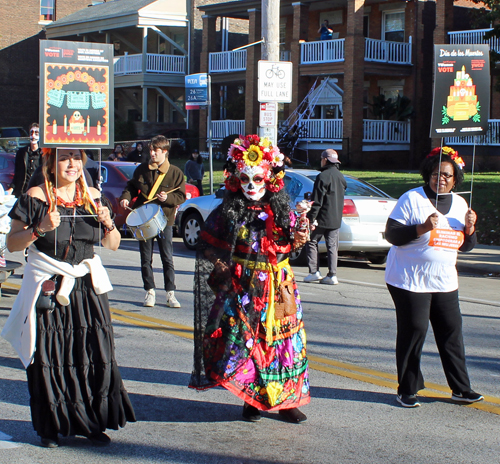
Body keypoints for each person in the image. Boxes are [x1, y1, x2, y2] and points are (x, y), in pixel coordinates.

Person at [1, 147, 136, 448]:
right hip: (50, 285)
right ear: (50, 162)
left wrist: (109, 222)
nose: (72, 163)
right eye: (64, 157)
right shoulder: (36, 196)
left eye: (76, 157)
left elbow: (112, 244)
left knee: (92, 354)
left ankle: (91, 422)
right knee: (51, 356)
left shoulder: (91, 196)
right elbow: (11, 243)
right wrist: (40, 229)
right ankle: (51, 427)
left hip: (87, 288)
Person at [189, 134, 310, 423]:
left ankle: (286, 403)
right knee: (247, 342)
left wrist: (302, 234)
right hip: (243, 286)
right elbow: (206, 244)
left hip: (280, 286)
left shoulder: (283, 213)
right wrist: (219, 263)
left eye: (258, 179)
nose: (252, 186)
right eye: (245, 179)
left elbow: (294, 246)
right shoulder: (227, 212)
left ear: (270, 179)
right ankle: (252, 401)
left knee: (285, 343)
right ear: (235, 180)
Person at [384, 146, 483, 408]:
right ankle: (407, 388)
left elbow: (465, 245)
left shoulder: (460, 203)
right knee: (415, 329)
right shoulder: (412, 199)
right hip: (408, 279)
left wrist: (470, 229)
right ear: (428, 173)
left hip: (444, 280)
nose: (440, 178)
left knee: (451, 332)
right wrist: (423, 227)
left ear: (455, 179)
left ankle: (461, 388)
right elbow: (393, 235)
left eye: (447, 175)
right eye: (436, 173)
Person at [119, 135, 186, 308]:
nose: (152, 153)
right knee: (145, 257)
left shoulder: (175, 173)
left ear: (164, 151)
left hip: (165, 220)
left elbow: (181, 196)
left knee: (167, 258)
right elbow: (131, 187)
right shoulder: (142, 169)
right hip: (143, 218)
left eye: (155, 150)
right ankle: (150, 291)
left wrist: (167, 198)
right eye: (150, 150)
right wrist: (126, 198)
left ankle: (171, 293)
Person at [304, 149, 346, 285]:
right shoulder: (341, 177)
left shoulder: (322, 176)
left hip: (321, 218)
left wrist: (311, 218)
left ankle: (314, 272)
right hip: (335, 218)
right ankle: (332, 275)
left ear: (325, 160)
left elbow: (317, 201)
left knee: (311, 241)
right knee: (332, 246)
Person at [7, 123, 42, 198]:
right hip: (23, 192)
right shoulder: (21, 152)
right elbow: (17, 173)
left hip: (38, 193)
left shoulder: (44, 154)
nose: (33, 136)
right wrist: (11, 188)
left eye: (36, 133)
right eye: (31, 133)